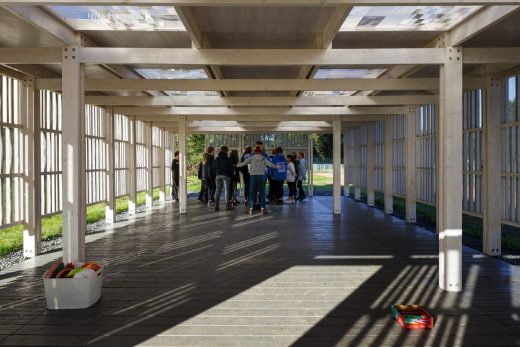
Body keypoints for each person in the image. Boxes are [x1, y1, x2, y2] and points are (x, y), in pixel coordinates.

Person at [237, 145, 280, 215]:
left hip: (253, 177)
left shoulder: (251, 158)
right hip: (261, 177)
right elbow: (270, 164)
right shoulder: (263, 158)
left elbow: (244, 163)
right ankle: (263, 209)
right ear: (260, 152)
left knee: (251, 193)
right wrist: (276, 167)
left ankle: (250, 209)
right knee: (262, 193)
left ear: (255, 152)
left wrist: (238, 165)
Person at [213, 146, 235, 211]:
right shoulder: (228, 159)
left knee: (217, 191)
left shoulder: (216, 159)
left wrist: (217, 174)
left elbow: (213, 169)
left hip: (218, 176)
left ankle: (216, 206)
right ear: (227, 151)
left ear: (221, 150)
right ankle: (227, 205)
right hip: (226, 176)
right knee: (226, 191)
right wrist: (231, 173)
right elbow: (231, 169)